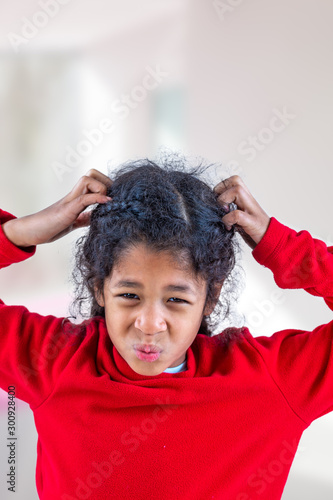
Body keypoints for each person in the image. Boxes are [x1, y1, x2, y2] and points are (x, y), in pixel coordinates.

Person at [0, 156, 332, 500]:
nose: (149, 325)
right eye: (129, 295)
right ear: (100, 287)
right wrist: (18, 232)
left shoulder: (270, 380)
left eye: (175, 300)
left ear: (210, 297)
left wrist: (284, 247)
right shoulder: (52, 361)